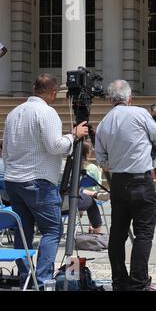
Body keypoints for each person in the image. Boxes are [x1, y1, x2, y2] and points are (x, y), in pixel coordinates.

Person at [2, 73, 88, 288]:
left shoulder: (14, 112)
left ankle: (26, 277)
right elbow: (55, 146)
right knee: (52, 230)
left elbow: (6, 149)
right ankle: (42, 279)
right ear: (52, 92)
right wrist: (74, 135)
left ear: (34, 88)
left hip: (14, 180)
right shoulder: (47, 112)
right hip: (38, 181)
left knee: (23, 230)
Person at [95, 80, 156, 291]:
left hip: (118, 182)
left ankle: (119, 281)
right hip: (141, 180)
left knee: (117, 235)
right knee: (143, 234)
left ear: (110, 100)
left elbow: (102, 161)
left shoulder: (104, 123)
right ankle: (138, 282)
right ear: (129, 98)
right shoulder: (140, 113)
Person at [78, 141, 109, 234]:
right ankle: (94, 227)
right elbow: (98, 183)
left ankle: (82, 211)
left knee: (85, 195)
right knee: (92, 201)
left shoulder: (70, 167)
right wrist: (99, 172)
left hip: (72, 197)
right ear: (88, 153)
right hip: (89, 194)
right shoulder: (92, 167)